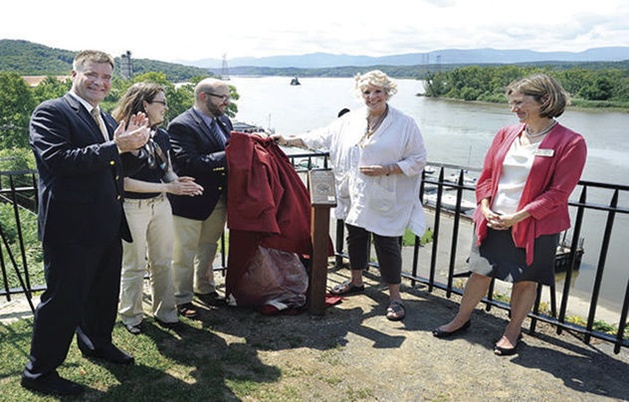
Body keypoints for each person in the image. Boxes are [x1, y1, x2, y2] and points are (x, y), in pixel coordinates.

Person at [22, 50, 150, 396]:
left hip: (107, 224)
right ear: (74, 74)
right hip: (71, 229)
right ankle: (39, 373)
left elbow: (119, 168)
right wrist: (116, 146)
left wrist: (135, 149)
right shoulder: (51, 111)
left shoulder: (105, 117)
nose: (100, 82)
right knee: (63, 301)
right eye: (92, 74)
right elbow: (57, 160)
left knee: (102, 295)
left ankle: (97, 344)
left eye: (107, 77)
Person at [432, 74, 587, 356]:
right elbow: (488, 176)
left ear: (546, 100)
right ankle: (460, 320)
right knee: (480, 272)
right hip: (494, 218)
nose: (513, 108)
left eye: (519, 102)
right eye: (511, 102)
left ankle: (512, 332)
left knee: (525, 279)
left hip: (535, 225)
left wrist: (519, 216)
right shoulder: (506, 133)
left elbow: (559, 193)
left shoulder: (571, 142)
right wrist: (485, 206)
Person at [272, 70, 428, 321]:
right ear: (361, 94)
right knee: (355, 235)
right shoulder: (350, 120)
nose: (372, 96)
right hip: (355, 192)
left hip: (385, 194)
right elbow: (321, 137)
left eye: (378, 91)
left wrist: (388, 169)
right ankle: (356, 281)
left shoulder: (404, 123)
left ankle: (395, 297)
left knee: (387, 243)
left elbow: (418, 159)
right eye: (367, 92)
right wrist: (288, 140)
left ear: (388, 93)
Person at [111, 83, 204, 335]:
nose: (166, 107)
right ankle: (131, 316)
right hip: (132, 207)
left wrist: (176, 182)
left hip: (160, 205)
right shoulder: (122, 135)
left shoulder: (160, 135)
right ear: (145, 105)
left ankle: (166, 312)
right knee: (134, 265)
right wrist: (169, 189)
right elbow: (124, 182)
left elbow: (166, 170)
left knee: (163, 261)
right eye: (161, 102)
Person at [168, 77, 234, 318]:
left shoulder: (225, 120)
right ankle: (181, 298)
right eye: (222, 97)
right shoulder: (181, 125)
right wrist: (230, 154)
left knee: (208, 248)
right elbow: (188, 162)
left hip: (217, 199)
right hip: (189, 200)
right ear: (204, 97)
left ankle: (205, 288)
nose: (227, 102)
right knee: (183, 253)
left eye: (228, 97)